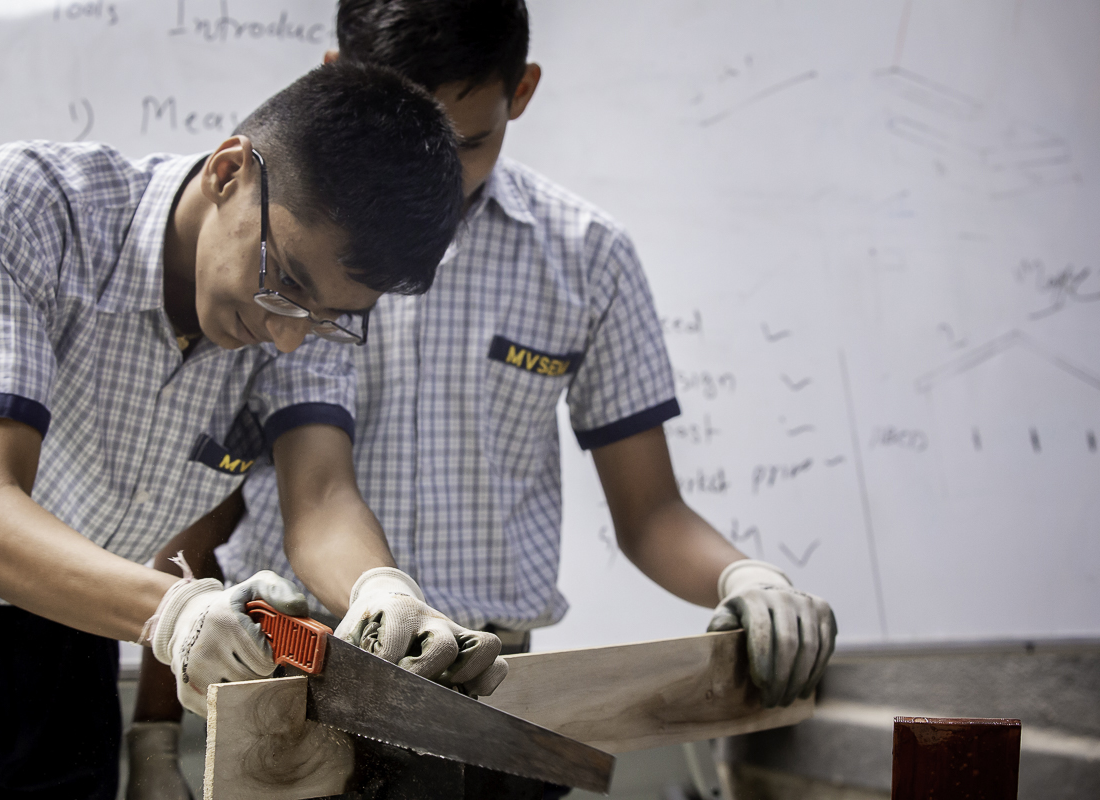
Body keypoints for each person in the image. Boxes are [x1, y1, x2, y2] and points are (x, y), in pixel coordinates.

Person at [128, 1, 838, 796]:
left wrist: (750, 581)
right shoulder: (275, 251)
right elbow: (216, 497)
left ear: (522, 91)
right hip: (304, 676)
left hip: (502, 702)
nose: (436, 173)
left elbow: (650, 514)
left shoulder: (585, 258)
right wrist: (153, 734)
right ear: (341, 82)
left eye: (467, 142)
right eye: (404, 131)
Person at [0, 61, 508, 798]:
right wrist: (176, 610)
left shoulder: (304, 320)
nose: (289, 339)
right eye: (283, 282)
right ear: (229, 172)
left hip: (80, 630)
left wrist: (381, 596)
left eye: (327, 319)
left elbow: (319, 504)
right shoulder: (34, 204)